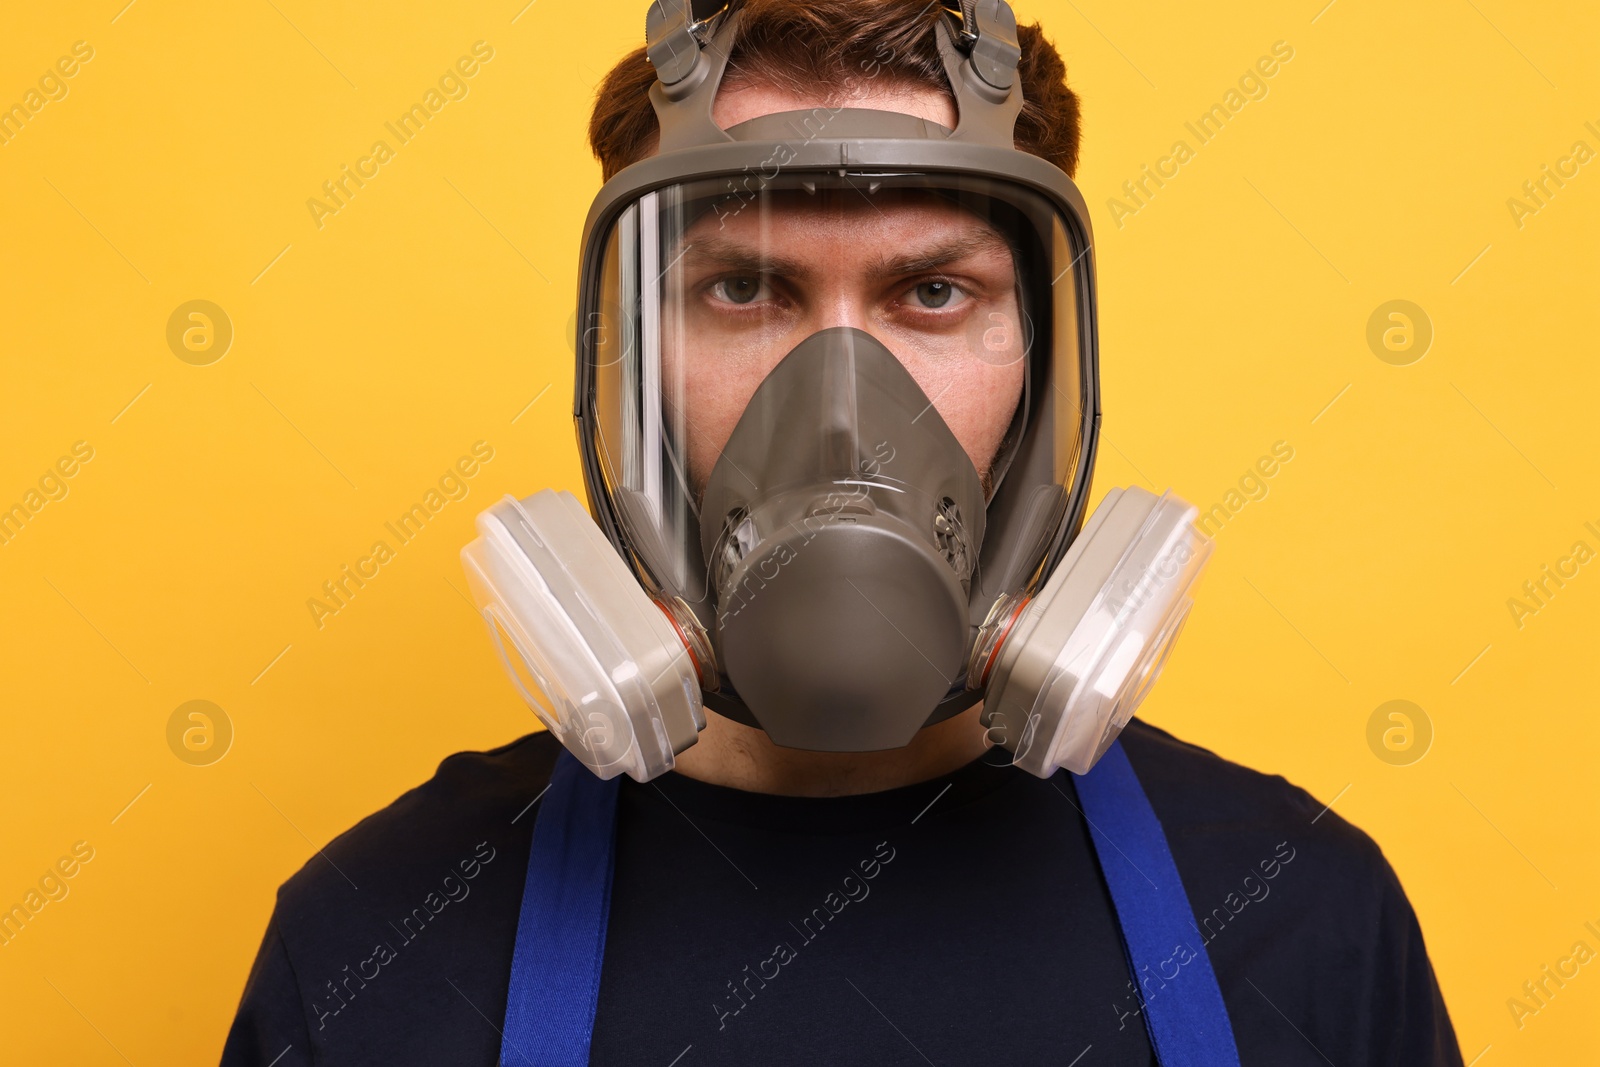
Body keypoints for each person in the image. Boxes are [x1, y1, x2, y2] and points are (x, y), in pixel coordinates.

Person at [221, 2, 1464, 1064]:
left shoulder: (1306, 918)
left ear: (1040, 361)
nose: (838, 397)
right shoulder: (372, 939)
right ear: (628, 358)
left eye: (933, 291)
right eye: (743, 288)